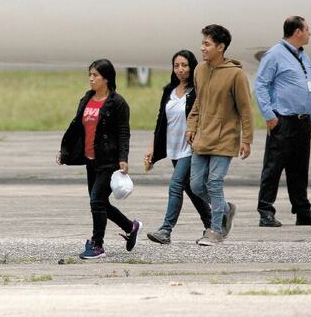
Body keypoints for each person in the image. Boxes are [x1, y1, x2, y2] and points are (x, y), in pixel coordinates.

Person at [59, 59, 139, 259]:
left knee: (96, 202)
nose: (91, 79)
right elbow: (77, 128)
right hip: (90, 160)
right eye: (90, 75)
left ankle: (97, 245)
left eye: (95, 75)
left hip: (109, 161)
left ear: (107, 78)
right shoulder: (86, 99)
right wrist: (66, 151)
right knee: (101, 203)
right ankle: (131, 227)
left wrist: (123, 157)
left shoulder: (118, 103)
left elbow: (123, 132)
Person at [255, 16, 311, 227]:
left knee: (299, 168)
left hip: (302, 121)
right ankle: (266, 211)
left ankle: (303, 211)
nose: (309, 33)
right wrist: (269, 115)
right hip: (282, 120)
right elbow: (261, 85)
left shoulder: (304, 56)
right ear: (297, 32)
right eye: (307, 29)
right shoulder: (275, 55)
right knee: (273, 167)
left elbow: (309, 88)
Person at [186, 25, 254, 246]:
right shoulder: (199, 71)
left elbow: (245, 109)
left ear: (221, 47)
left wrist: (246, 140)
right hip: (202, 137)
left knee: (214, 183)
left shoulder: (236, 74)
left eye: (207, 44)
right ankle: (225, 208)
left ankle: (215, 231)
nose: (202, 48)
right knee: (196, 186)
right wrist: (191, 126)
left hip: (225, 138)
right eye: (202, 43)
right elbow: (198, 102)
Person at [144, 51, 211, 244]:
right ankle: (214, 222)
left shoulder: (197, 90)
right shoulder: (169, 90)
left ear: (192, 67)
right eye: (176, 66)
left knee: (175, 186)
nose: (181, 69)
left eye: (185, 65)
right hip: (173, 148)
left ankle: (166, 230)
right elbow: (161, 121)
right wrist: (152, 147)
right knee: (192, 189)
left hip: (190, 148)